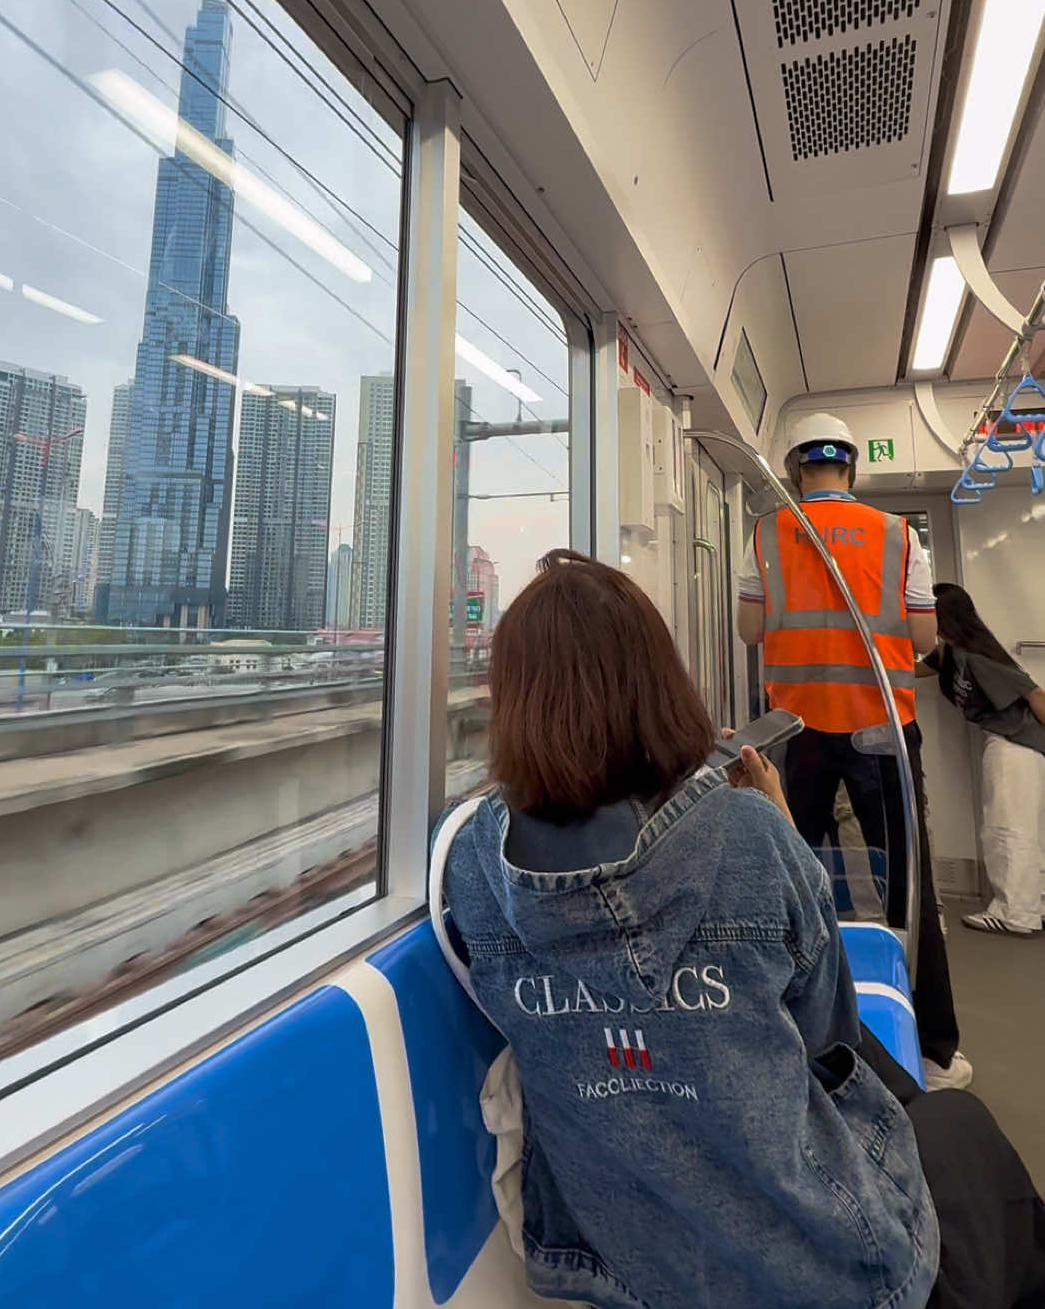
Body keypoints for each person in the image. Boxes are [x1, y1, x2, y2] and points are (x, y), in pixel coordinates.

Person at [437, 551, 1045, 1309]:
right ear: (655, 681)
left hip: (613, 1263)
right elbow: (829, 1034)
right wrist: (774, 829)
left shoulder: (472, 868)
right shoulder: (747, 835)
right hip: (821, 1265)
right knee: (964, 1127)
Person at [735, 414, 968, 1092]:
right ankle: (936, 1049)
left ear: (795, 468)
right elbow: (924, 635)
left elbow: (751, 627)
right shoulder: (898, 535)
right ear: (850, 466)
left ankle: (793, 1027)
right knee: (908, 879)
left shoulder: (768, 532)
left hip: (795, 734)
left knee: (790, 874)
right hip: (882, 731)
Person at [919, 582, 1045, 936]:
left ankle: (1015, 913)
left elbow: (1035, 694)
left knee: (1008, 828)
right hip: (1005, 742)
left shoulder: (978, 656)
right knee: (1014, 827)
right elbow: (915, 670)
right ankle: (1031, 904)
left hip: (1017, 745)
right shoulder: (949, 653)